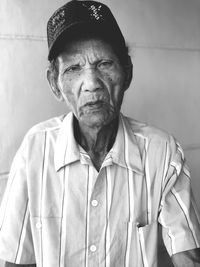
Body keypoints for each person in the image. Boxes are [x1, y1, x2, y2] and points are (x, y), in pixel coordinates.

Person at [0, 0, 200, 266]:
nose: (91, 84)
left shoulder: (162, 152)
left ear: (127, 73)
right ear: (55, 84)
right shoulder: (35, 149)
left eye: (104, 63)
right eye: (73, 69)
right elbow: (13, 259)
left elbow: (188, 257)